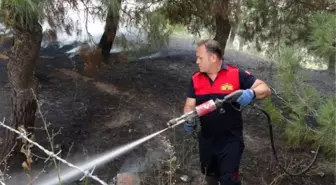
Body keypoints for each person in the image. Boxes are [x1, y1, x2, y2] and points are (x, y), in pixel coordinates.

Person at [183, 39, 271, 185]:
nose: (197, 61)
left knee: (229, 180)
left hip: (230, 140)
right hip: (207, 140)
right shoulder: (195, 79)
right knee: (210, 177)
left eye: (200, 58)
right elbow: (189, 105)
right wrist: (188, 117)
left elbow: (265, 89)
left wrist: (251, 93)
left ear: (213, 58)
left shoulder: (236, 74)